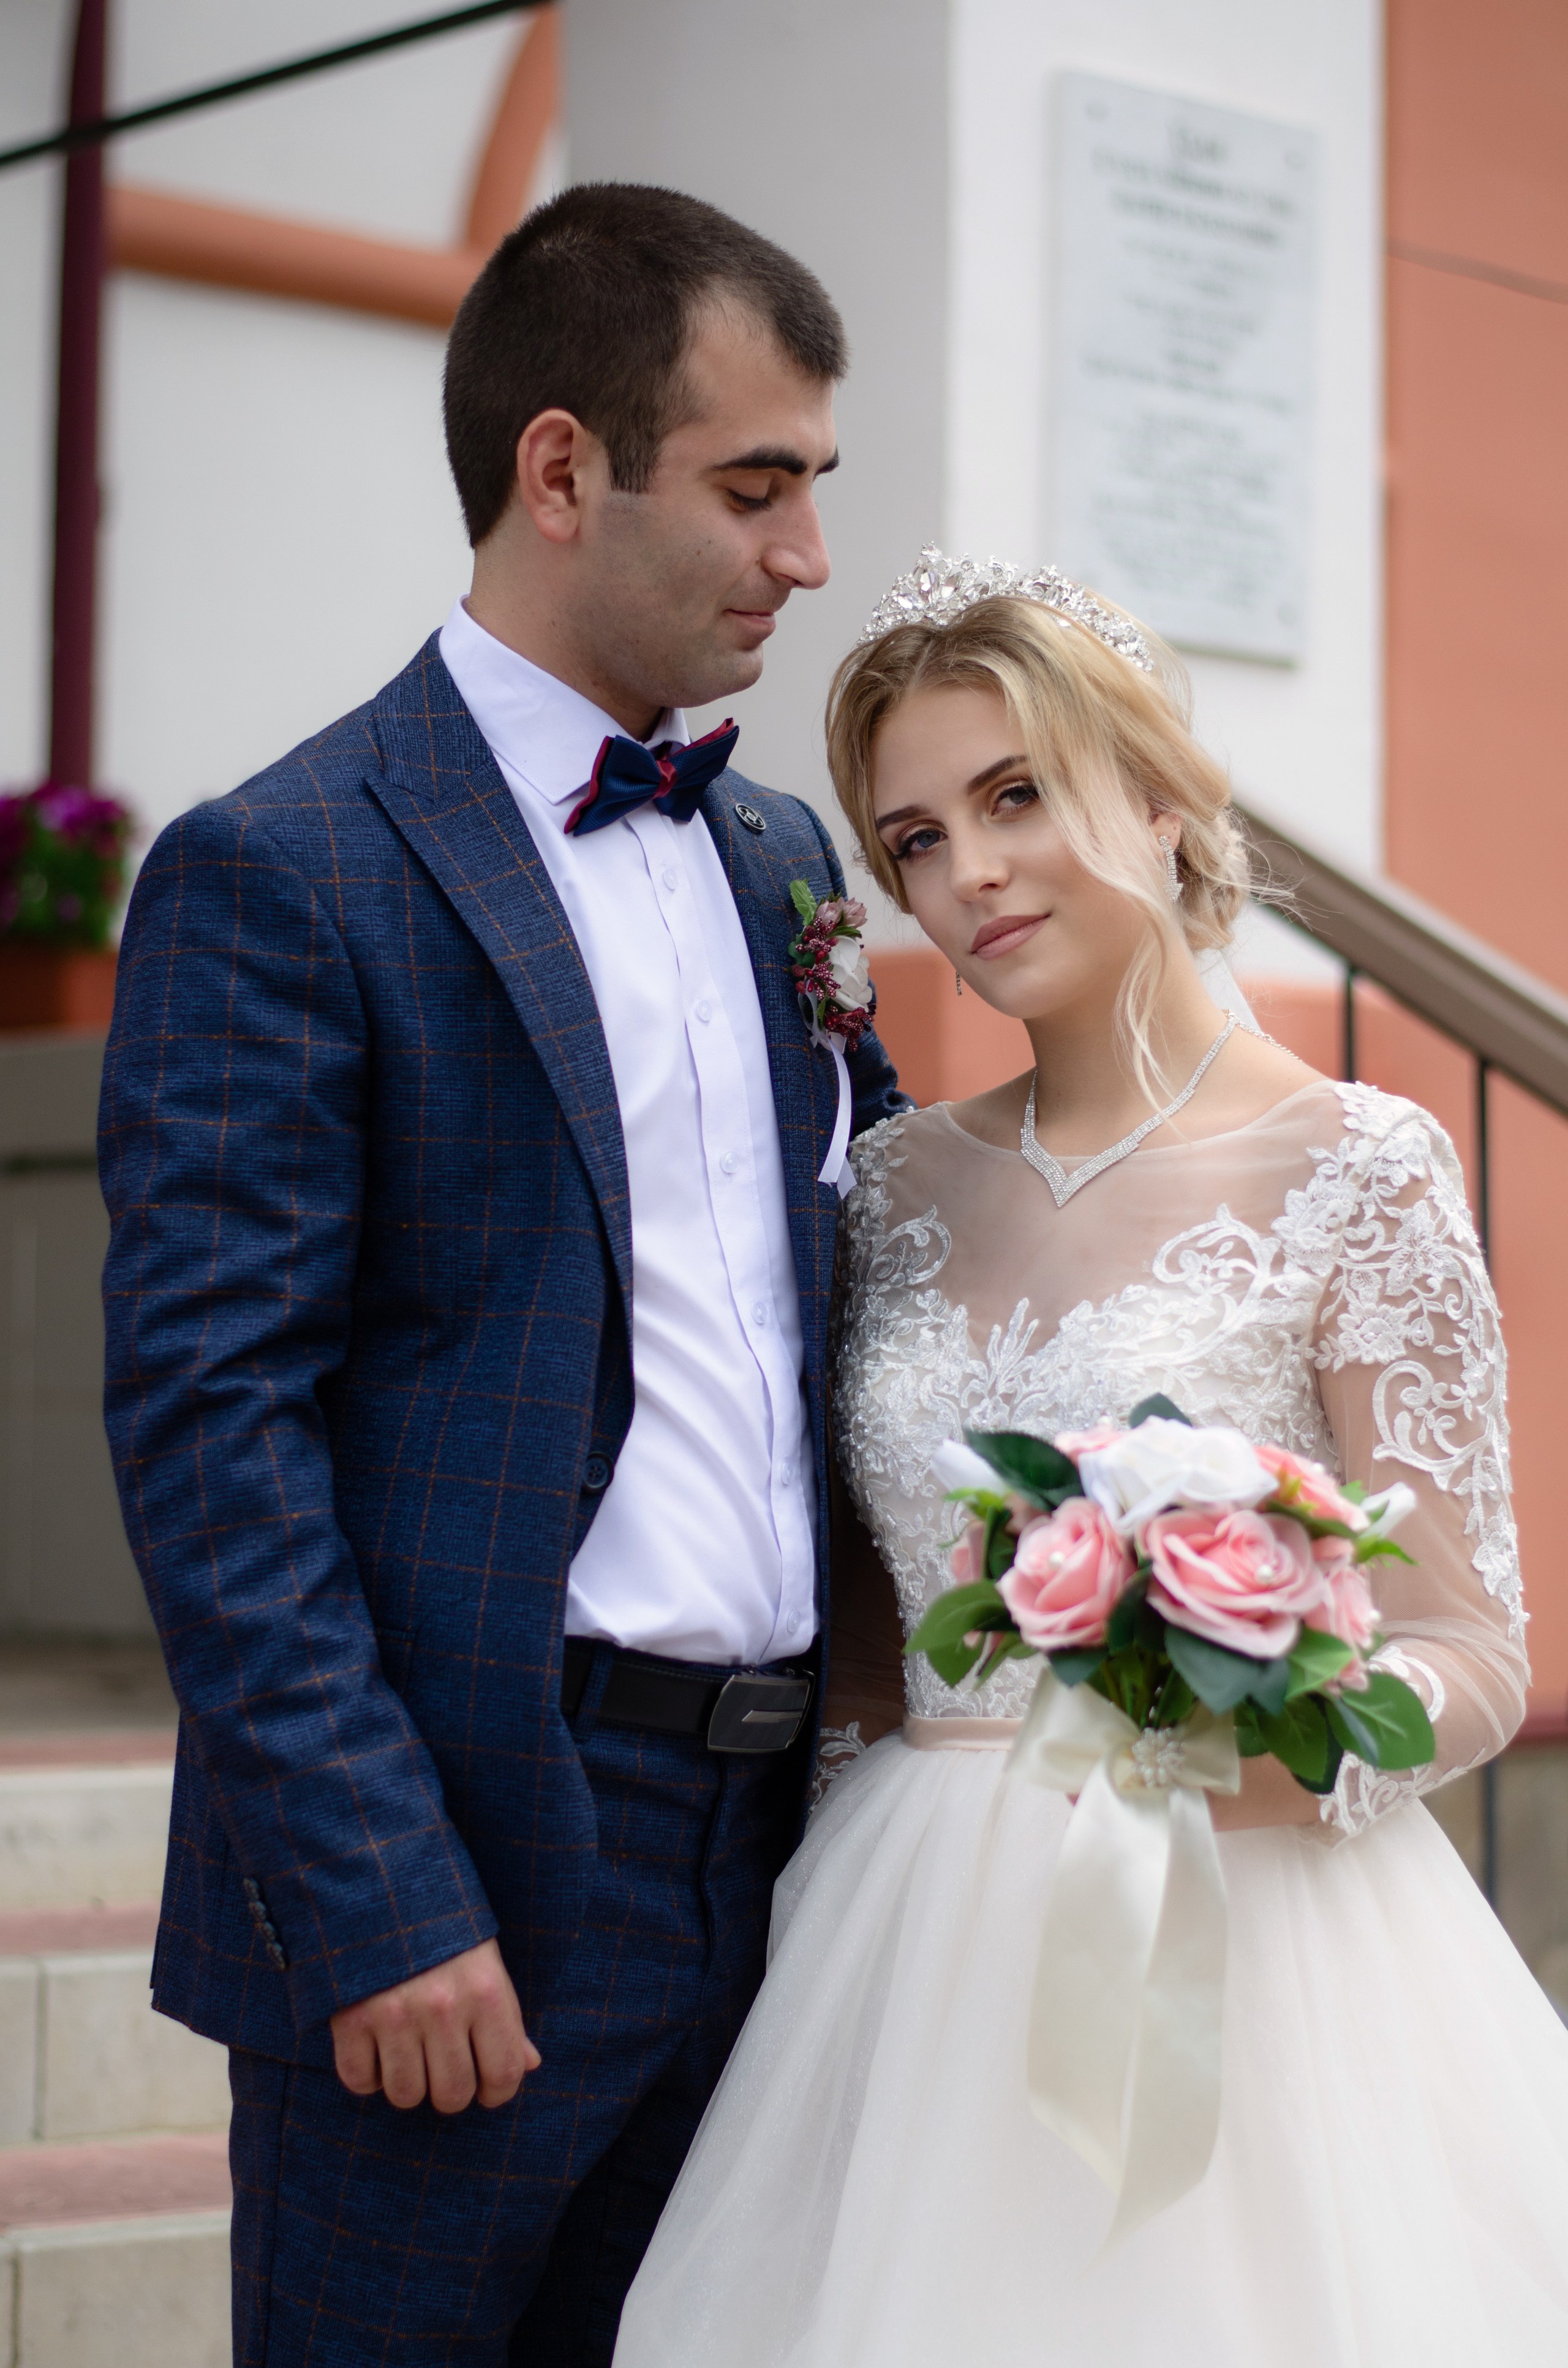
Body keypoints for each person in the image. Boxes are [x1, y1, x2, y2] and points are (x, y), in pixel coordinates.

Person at [97, 183, 907, 2365]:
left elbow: (878, 1262)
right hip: (466, 1854)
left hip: (780, 1857)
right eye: (757, 485)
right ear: (561, 468)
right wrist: (373, 1891)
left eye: (815, 485)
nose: (807, 555)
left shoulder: (780, 859)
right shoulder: (286, 868)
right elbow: (213, 1429)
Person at [612, 551, 1568, 2366]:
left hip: (1249, 1943)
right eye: (914, 839)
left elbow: (1472, 1651)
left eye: (1015, 795)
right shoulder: (887, 1182)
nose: (966, 874)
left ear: (1156, 795)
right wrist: (814, 1942)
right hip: (908, 1958)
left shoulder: (1361, 1169)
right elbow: (872, 1656)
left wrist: (1243, 1751)